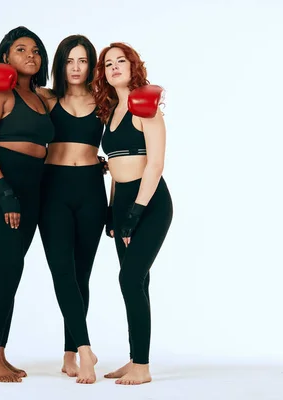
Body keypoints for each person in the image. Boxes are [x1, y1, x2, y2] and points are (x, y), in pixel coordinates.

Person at [0, 26, 54, 383]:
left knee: (6, 271)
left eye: (35, 50)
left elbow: (78, 99)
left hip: (32, 191)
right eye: (21, 49)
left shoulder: (42, 98)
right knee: (6, 266)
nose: (30, 54)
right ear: (6, 57)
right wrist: (4, 193)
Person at [91, 42, 173, 385]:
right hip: (122, 200)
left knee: (130, 278)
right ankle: (136, 357)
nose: (114, 67)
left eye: (120, 61)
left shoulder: (145, 107)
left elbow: (154, 165)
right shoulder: (110, 112)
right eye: (108, 64)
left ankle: (142, 366)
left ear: (132, 65)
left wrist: (136, 212)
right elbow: (114, 167)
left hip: (150, 203)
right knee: (136, 281)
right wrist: (113, 210)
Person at [35, 34, 104, 385]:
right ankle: (85, 349)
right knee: (62, 271)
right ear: (60, 64)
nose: (76, 68)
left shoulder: (104, 100)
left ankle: (68, 355)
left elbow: (127, 131)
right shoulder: (47, 99)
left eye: (82, 61)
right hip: (54, 190)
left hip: (92, 189)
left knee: (82, 275)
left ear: (91, 65)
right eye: (69, 61)